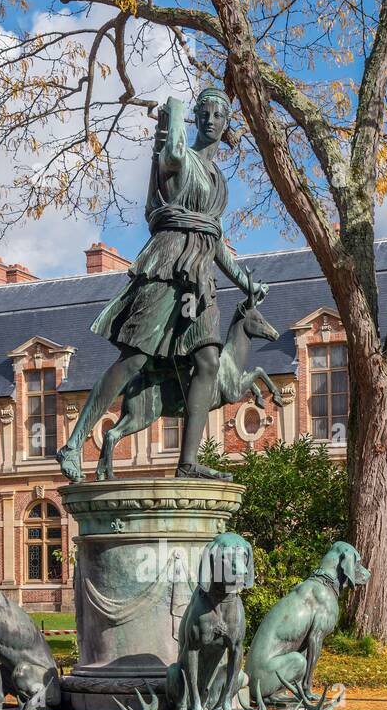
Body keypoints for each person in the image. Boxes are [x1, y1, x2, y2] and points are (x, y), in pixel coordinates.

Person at [56, 87, 267, 482]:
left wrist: (244, 282)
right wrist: (172, 117)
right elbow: (170, 156)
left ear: (226, 125)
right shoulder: (176, 158)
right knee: (135, 359)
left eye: (219, 115)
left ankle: (188, 462)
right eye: (203, 113)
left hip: (200, 276)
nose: (211, 120)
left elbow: (213, 239)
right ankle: (72, 444)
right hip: (166, 264)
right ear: (195, 119)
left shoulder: (219, 180)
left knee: (207, 362)